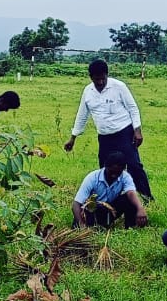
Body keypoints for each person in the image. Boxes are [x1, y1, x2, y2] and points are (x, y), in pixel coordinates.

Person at [64, 60, 151, 200]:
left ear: (107, 75)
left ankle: (146, 197)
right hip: (104, 137)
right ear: (90, 77)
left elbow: (133, 108)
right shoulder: (88, 91)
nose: (100, 82)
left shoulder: (119, 87)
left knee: (134, 165)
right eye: (96, 79)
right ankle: (106, 200)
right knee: (105, 169)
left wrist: (137, 130)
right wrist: (73, 138)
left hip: (124, 133)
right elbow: (82, 115)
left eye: (102, 78)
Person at [71, 151, 148, 229]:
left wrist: (140, 208)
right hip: (92, 212)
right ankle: (93, 225)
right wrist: (81, 225)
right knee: (80, 225)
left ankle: (131, 226)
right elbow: (76, 204)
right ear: (105, 166)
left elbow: (131, 193)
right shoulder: (92, 178)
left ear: (123, 169)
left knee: (128, 199)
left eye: (118, 173)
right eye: (111, 172)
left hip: (111, 211)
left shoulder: (125, 177)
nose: (114, 175)